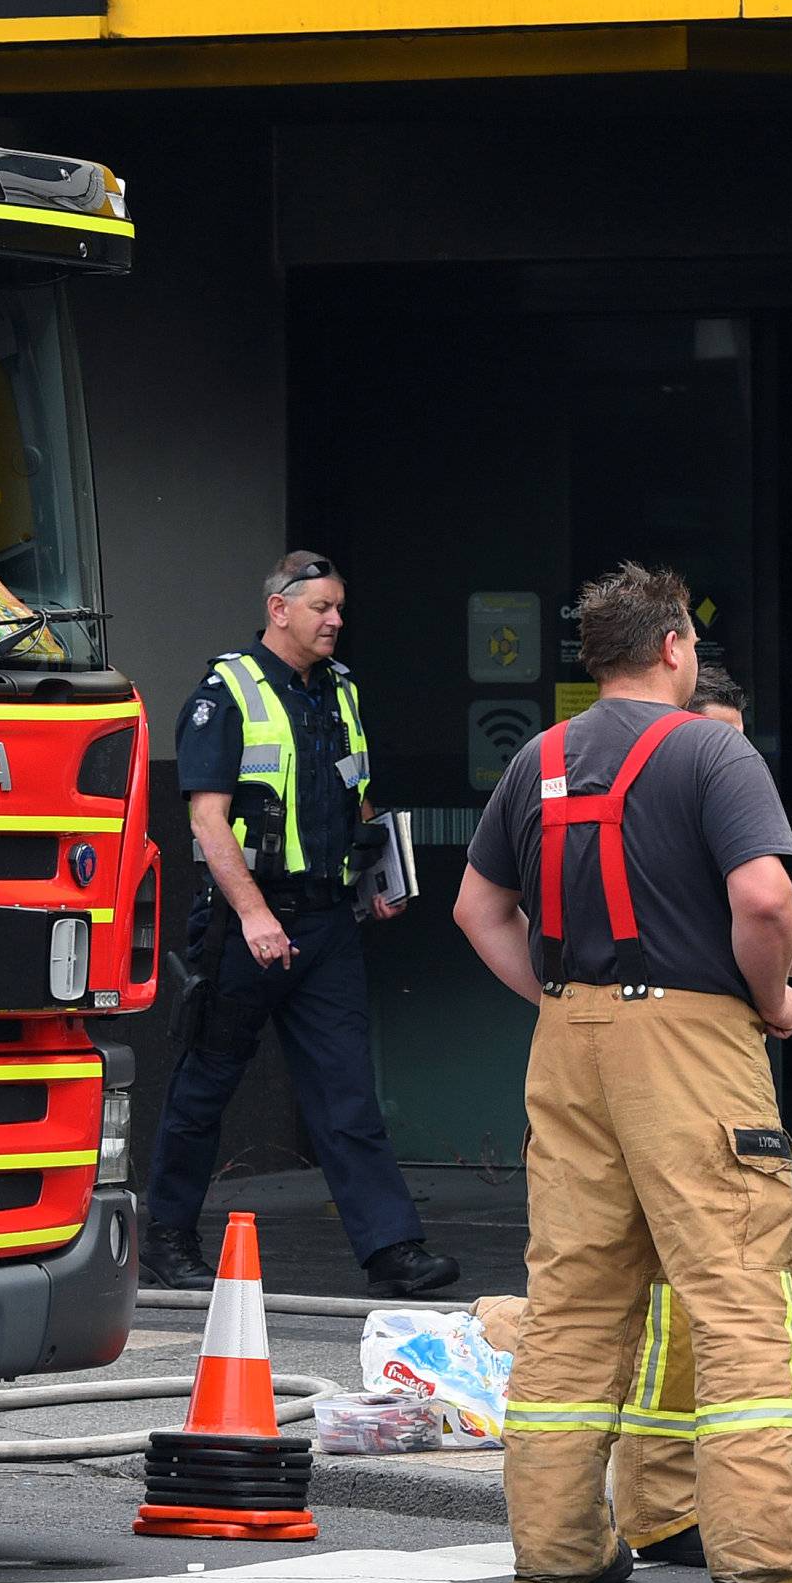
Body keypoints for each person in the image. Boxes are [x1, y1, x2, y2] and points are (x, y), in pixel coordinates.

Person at [455, 560, 792, 1583]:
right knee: (739, 1291)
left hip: (569, 1038)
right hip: (691, 1039)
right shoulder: (713, 752)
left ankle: (558, 1545)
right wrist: (769, 1002)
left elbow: (476, 911)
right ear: (676, 647)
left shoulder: (534, 761)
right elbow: (763, 901)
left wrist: (556, 1001)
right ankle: (767, 1552)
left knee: (575, 1297)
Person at [139, 552, 459, 1300]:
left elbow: (360, 798)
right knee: (205, 1085)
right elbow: (207, 821)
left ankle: (391, 1249)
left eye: (340, 607)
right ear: (279, 610)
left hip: (327, 924)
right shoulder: (227, 694)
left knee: (347, 1092)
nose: (336, 620)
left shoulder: (339, 691)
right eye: (322, 607)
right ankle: (168, 1237)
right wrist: (252, 915)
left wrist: (383, 879)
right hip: (245, 926)